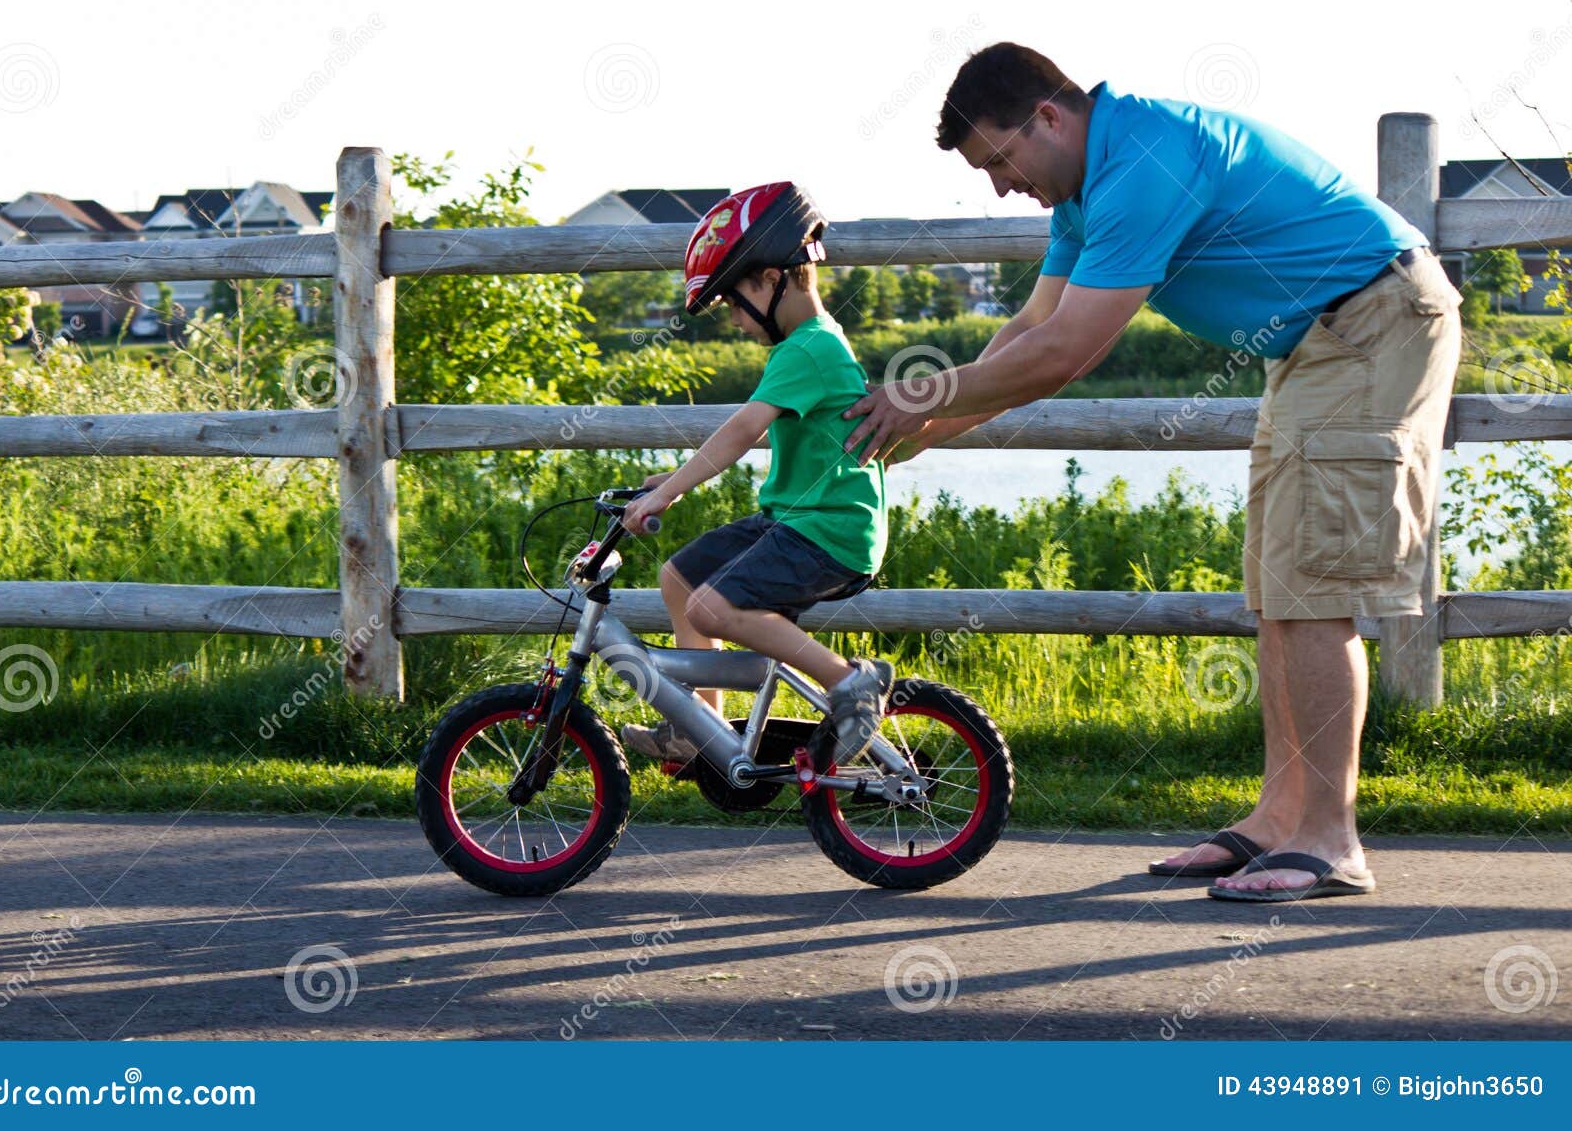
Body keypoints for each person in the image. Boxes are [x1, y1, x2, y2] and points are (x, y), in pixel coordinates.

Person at [842, 44, 1461, 902]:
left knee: (1314, 590)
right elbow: (1029, 329)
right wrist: (930, 426)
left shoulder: (1144, 161)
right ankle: (1278, 820)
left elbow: (1066, 354)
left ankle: (1333, 838)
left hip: (1373, 322)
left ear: (1048, 117)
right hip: (1314, 342)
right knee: (1276, 588)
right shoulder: (1085, 187)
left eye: (998, 160)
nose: (998, 186)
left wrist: (923, 397)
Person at [620, 182, 894, 767]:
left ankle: (852, 683)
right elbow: (760, 435)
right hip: (797, 522)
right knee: (679, 579)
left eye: (732, 300)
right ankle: (702, 728)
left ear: (770, 279)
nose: (734, 321)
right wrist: (670, 478)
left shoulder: (809, 347)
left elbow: (742, 431)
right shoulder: (803, 348)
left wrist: (667, 494)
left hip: (830, 532)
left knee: (711, 609)